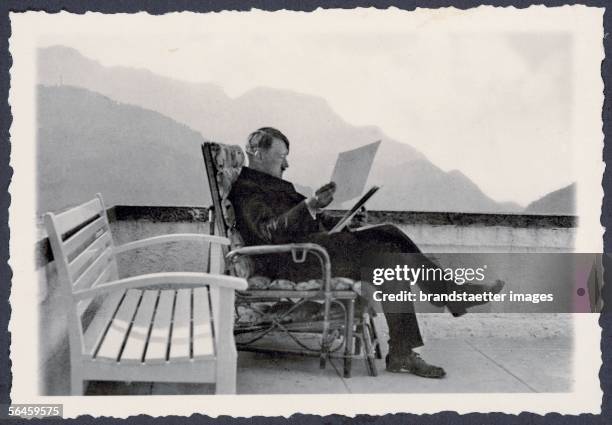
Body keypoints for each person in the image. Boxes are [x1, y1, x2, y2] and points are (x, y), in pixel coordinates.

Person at [228, 127, 504, 379]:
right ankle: (448, 295)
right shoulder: (247, 188)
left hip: (312, 251)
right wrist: (310, 205)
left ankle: (402, 352)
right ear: (258, 153)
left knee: (389, 260)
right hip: (294, 261)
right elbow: (269, 233)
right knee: (387, 233)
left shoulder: (274, 183)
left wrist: (341, 220)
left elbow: (300, 221)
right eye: (281, 157)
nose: (286, 164)